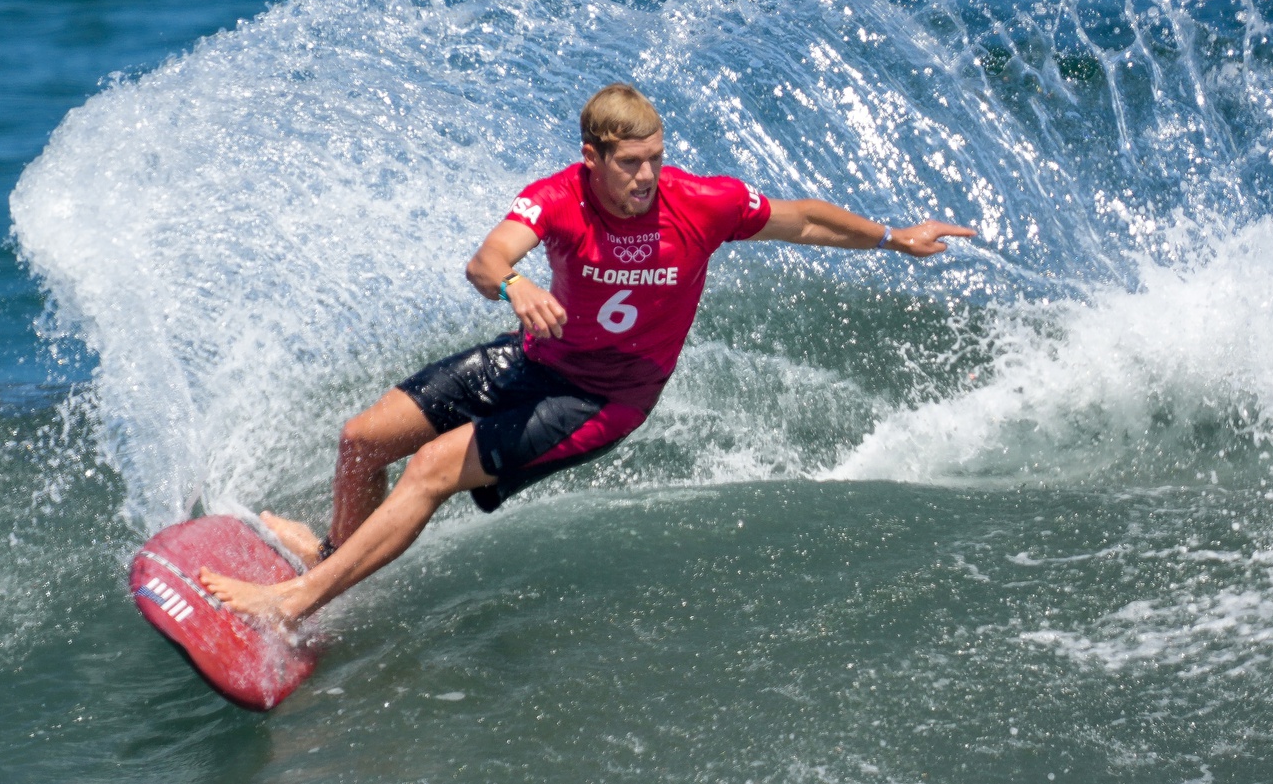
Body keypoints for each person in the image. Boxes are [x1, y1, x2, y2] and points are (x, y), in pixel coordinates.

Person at [200, 83, 975, 628]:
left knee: (433, 467)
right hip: (536, 356)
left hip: (606, 398)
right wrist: (514, 283)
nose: (646, 177)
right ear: (592, 156)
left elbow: (801, 219)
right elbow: (485, 258)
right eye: (630, 163)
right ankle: (338, 555)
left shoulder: (699, 203)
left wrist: (891, 236)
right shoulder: (558, 196)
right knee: (361, 439)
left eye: (656, 159)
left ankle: (300, 602)